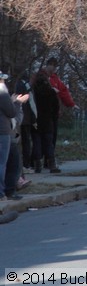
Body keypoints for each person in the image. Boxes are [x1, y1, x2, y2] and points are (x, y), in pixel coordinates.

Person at [1, 73, 31, 201]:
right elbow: (12, 112)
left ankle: (8, 190)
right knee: (8, 162)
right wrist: (17, 102)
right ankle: (5, 192)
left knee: (9, 161)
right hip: (3, 132)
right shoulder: (2, 93)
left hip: (5, 131)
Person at [31, 68, 61, 173]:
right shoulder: (51, 92)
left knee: (37, 142)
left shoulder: (33, 91)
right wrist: (54, 117)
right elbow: (56, 107)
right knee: (49, 143)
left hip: (36, 120)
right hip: (48, 120)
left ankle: (37, 165)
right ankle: (51, 164)